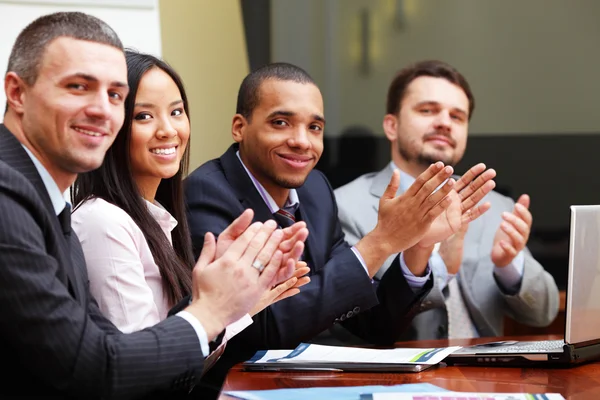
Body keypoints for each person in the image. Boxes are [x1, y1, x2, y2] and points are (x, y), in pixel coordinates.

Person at [0, 12, 303, 398]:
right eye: (78, 87)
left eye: (114, 95)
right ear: (17, 93)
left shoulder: (51, 201)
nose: (102, 110)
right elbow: (96, 369)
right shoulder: (10, 195)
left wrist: (220, 300)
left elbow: (114, 352)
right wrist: (210, 308)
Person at [183, 62, 496, 383]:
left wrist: (419, 244)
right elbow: (267, 327)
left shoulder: (316, 190)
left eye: (315, 128)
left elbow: (375, 325)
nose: (302, 141)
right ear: (239, 127)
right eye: (281, 123)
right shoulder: (207, 191)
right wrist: (380, 242)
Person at [70, 50, 309, 370]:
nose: (168, 129)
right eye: (144, 116)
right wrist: (220, 306)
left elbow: (179, 364)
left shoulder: (155, 218)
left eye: (177, 112)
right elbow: (143, 369)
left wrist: (240, 302)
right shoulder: (104, 220)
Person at [335, 60, 559, 340]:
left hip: (491, 378)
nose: (444, 122)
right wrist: (438, 265)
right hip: (399, 377)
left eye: (457, 116)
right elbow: (354, 323)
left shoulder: (496, 206)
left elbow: (544, 313)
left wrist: (509, 266)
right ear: (391, 126)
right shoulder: (343, 207)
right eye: (427, 110)